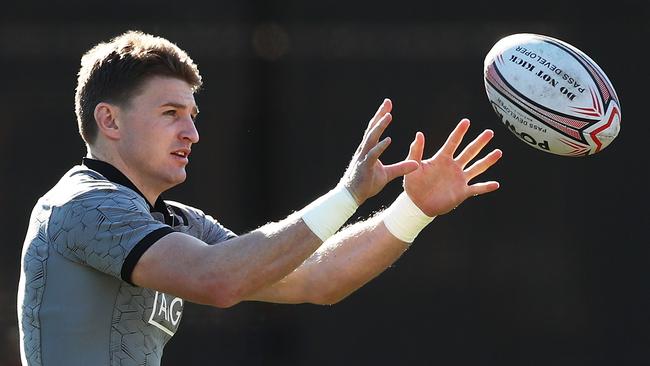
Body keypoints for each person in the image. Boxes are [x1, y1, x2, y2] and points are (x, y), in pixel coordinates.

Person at [17, 30, 502, 366]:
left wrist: (411, 210)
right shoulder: (85, 206)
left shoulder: (177, 223)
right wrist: (347, 193)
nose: (191, 133)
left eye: (192, 114)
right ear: (110, 121)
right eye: (170, 112)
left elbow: (318, 279)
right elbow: (218, 280)